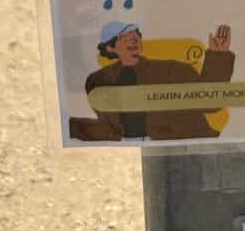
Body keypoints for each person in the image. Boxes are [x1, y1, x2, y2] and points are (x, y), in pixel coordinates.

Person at [69, 20, 234, 142]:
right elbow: (110, 127)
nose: (133, 39)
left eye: (136, 35)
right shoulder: (98, 80)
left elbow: (209, 101)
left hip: (176, 143)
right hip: (125, 149)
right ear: (111, 47)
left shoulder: (172, 70)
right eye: (125, 38)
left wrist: (218, 56)